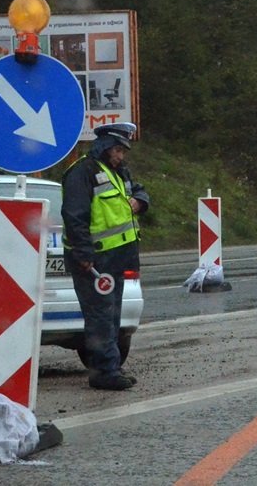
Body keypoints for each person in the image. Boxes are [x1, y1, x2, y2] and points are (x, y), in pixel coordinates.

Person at [62, 122, 148, 391]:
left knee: (111, 316)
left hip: (117, 257)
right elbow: (74, 216)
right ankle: (104, 372)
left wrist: (141, 201)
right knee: (100, 316)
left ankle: (111, 366)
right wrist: (84, 254)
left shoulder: (117, 171)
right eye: (119, 150)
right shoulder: (82, 172)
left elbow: (137, 189)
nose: (122, 156)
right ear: (106, 146)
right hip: (95, 260)